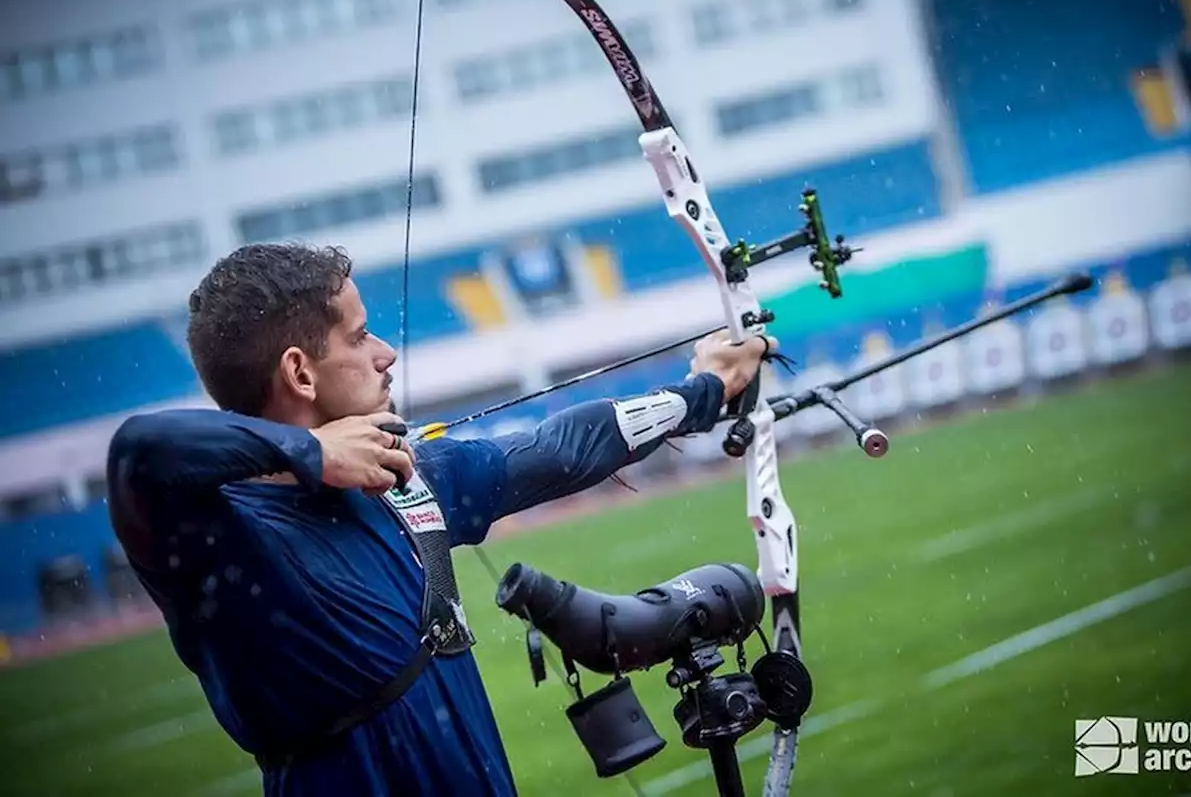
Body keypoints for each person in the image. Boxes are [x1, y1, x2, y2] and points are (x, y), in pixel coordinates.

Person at [106, 242, 776, 797]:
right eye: (359, 336)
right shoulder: (221, 541)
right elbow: (140, 452)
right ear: (299, 375)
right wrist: (315, 454)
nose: (385, 355)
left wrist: (705, 390)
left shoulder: (402, 479)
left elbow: (557, 451)